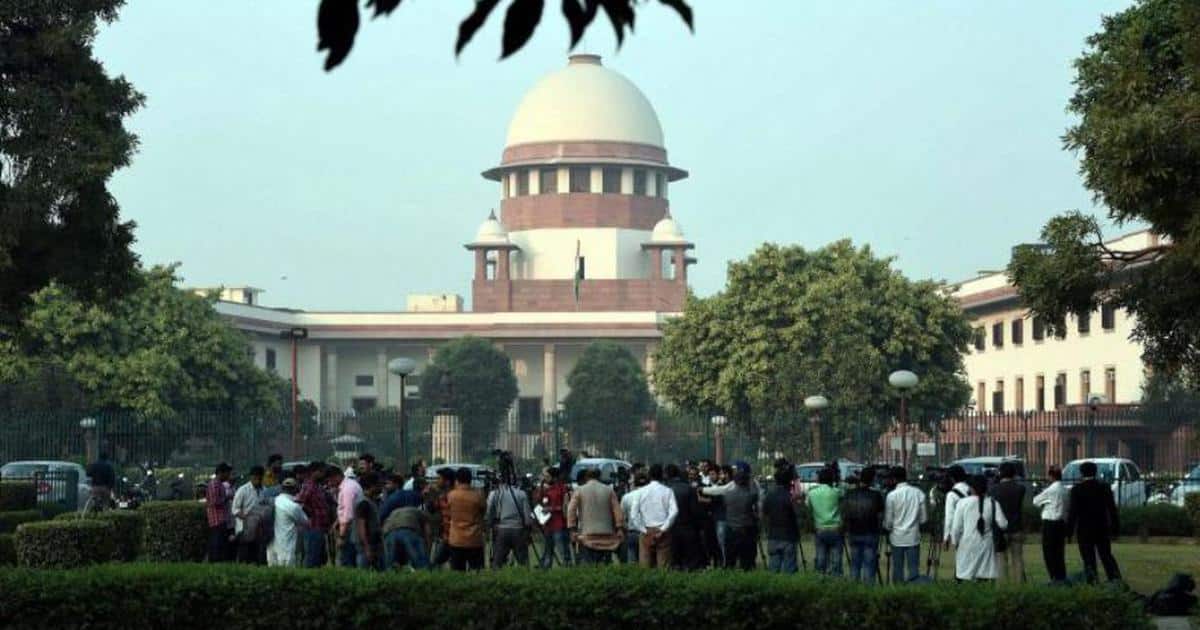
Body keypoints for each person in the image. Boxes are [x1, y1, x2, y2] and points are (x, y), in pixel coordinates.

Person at [1066, 460, 1122, 584]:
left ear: (1081, 473)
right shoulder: (1104, 487)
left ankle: (1092, 581)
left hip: (1084, 528)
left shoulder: (1077, 490)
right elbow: (1112, 509)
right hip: (1101, 526)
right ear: (1095, 472)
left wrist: (1069, 532)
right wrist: (1115, 528)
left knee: (1088, 557)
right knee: (1106, 555)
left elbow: (1072, 513)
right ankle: (1115, 579)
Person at [948, 475, 1007, 582]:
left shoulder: (963, 503)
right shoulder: (993, 503)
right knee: (984, 577)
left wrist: (955, 541)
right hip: (986, 545)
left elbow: (956, 527)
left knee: (966, 576)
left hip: (967, 543)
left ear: (971, 488)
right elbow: (1003, 524)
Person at [566, 468, 625, 564]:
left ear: (586, 477)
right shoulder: (609, 490)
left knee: (589, 567)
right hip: (607, 536)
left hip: (587, 535)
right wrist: (619, 528)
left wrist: (572, 529)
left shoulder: (580, 490)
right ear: (599, 476)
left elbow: (571, 510)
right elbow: (617, 511)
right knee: (606, 565)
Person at [882, 466, 927, 583]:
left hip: (897, 538)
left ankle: (898, 593)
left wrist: (887, 528)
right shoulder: (919, 493)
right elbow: (924, 519)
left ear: (894, 479)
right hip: (913, 538)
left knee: (897, 570)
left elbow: (888, 522)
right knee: (913, 570)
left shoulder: (891, 495)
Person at [842, 468, 885, 584]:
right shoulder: (876, 495)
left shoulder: (849, 494)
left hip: (854, 532)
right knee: (869, 565)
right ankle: (868, 591)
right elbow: (881, 512)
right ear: (872, 480)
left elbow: (845, 512)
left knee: (855, 564)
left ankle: (854, 589)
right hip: (870, 533)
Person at [633, 464, 678, 569]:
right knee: (664, 567)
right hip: (663, 532)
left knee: (645, 567)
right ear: (662, 475)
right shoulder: (668, 491)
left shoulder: (640, 492)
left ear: (649, 475)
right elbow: (674, 511)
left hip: (646, 530)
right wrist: (663, 529)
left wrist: (643, 530)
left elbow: (634, 514)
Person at [990, 461, 1027, 582]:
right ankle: (1019, 585)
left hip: (1000, 529)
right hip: (1016, 526)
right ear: (1014, 474)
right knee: (1018, 559)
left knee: (1001, 560)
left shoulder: (994, 489)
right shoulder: (1020, 488)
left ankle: (1003, 586)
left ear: (1000, 473)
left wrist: (995, 480)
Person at [486, 475, 533, 568]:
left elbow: (489, 512)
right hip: (518, 529)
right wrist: (527, 530)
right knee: (523, 562)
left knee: (497, 563)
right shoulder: (522, 494)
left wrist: (490, 524)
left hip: (501, 530)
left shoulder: (495, 493)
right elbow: (527, 518)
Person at [1032, 466, 1069, 583]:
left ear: (1051, 476)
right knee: (1059, 551)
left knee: (1049, 552)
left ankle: (1053, 576)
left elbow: (1036, 501)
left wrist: (1046, 501)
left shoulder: (1050, 490)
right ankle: (1061, 576)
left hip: (1049, 523)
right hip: (1061, 523)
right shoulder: (1065, 490)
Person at [446, 467, 486, 571]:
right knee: (478, 572)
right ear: (470, 480)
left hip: (456, 540)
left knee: (457, 575)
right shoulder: (478, 496)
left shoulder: (451, 495)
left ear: (457, 480)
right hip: (474, 540)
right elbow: (483, 511)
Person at [807, 466, 844, 576]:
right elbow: (843, 495)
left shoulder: (812, 493)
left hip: (820, 529)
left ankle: (820, 577)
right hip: (835, 528)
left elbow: (808, 508)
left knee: (821, 557)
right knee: (836, 559)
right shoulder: (836, 492)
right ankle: (836, 577)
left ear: (819, 479)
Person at [382, 483, 429, 569]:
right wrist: (426, 545)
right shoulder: (417, 511)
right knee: (421, 563)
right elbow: (427, 531)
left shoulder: (394, 512)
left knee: (390, 566)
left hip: (389, 534)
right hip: (408, 531)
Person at [666, 464, 704, 570]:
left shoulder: (665, 489)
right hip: (688, 526)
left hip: (670, 527)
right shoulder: (689, 489)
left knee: (674, 559)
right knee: (691, 559)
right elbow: (695, 510)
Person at [762, 465, 799, 574]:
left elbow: (764, 513)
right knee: (789, 571)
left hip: (773, 535)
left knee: (773, 569)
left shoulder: (769, 495)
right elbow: (797, 514)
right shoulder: (789, 497)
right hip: (788, 536)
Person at [297, 461, 332, 568]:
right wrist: (310, 514)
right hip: (313, 528)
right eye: (321, 472)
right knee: (312, 559)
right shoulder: (309, 486)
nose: (323, 474)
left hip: (320, 528)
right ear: (314, 472)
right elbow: (300, 505)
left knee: (319, 559)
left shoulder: (317, 486)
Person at [722, 468, 758, 571]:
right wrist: (752, 481)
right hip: (746, 530)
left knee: (730, 561)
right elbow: (755, 493)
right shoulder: (750, 495)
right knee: (747, 562)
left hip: (730, 529)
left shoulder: (727, 495)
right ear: (746, 481)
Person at [535, 467, 572, 568]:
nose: (545, 478)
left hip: (558, 524)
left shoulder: (562, 488)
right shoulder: (546, 488)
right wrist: (542, 485)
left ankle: (567, 566)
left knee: (562, 549)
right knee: (548, 549)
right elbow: (539, 499)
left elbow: (565, 506)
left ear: (554, 477)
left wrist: (552, 509)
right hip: (548, 524)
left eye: (547, 477)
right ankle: (546, 566)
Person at [268, 478, 310, 567]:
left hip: (271, 547)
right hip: (287, 548)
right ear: (295, 489)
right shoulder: (293, 506)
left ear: (282, 488)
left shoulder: (274, 500)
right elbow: (306, 522)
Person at [328, 465, 363, 567]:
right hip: (350, 526)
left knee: (345, 560)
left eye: (330, 481)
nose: (329, 484)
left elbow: (348, 515)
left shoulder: (348, 489)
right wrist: (337, 522)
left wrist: (342, 537)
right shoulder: (348, 485)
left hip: (350, 528)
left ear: (336, 476)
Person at [232, 465, 265, 564]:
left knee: (256, 557)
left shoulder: (264, 490)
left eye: (259, 478)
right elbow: (235, 510)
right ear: (251, 477)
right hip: (244, 529)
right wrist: (247, 519)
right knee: (244, 557)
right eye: (255, 478)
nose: (257, 480)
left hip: (259, 529)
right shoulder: (243, 490)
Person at [353, 472, 384, 570]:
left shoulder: (371, 501)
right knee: (364, 571)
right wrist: (367, 547)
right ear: (372, 486)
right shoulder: (363, 503)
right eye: (379, 485)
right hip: (366, 544)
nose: (381, 487)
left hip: (373, 543)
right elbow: (361, 526)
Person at [426, 467, 456, 569]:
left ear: (447, 482)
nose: (437, 481)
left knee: (435, 565)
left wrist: (430, 493)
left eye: (439, 478)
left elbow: (431, 508)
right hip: (455, 536)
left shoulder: (445, 497)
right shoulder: (448, 495)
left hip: (449, 538)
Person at [204, 463, 234, 562]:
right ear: (221, 472)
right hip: (217, 520)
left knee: (220, 547)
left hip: (220, 520)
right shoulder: (215, 484)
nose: (229, 475)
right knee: (217, 547)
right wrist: (227, 498)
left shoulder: (219, 484)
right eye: (227, 473)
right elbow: (214, 502)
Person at [620, 473, 648, 564]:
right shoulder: (653, 496)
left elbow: (621, 518)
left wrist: (626, 529)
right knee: (648, 563)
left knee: (632, 562)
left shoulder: (627, 497)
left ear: (634, 483)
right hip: (648, 533)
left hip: (632, 533)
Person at [941, 465, 970, 551]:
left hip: (960, 532)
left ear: (952, 478)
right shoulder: (972, 489)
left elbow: (949, 517)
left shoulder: (951, 494)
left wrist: (946, 537)